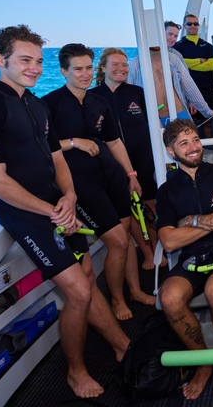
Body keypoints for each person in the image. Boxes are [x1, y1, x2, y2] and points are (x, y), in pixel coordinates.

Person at [0, 26, 130, 399]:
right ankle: (75, 371)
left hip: (56, 206)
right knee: (79, 292)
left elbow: (57, 159)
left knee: (86, 273)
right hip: (25, 212)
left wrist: (68, 197)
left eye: (38, 60)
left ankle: (122, 346)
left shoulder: (35, 105)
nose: (35, 67)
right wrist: (52, 210)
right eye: (25, 60)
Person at [42, 44, 156, 321]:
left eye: (88, 68)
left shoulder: (98, 102)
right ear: (63, 72)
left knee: (126, 238)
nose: (85, 74)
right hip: (81, 185)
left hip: (112, 176)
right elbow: (41, 147)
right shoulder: (49, 104)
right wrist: (73, 142)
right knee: (117, 241)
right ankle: (116, 299)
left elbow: (114, 142)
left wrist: (131, 175)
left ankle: (135, 290)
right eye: (78, 69)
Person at [156, 118, 213, 400]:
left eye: (195, 139)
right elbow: (169, 240)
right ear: (172, 152)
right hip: (191, 259)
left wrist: (191, 222)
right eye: (184, 143)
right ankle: (203, 362)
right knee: (169, 297)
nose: (193, 147)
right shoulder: (166, 191)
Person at [90, 48, 165, 270]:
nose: (121, 69)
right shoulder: (93, 97)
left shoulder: (137, 92)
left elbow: (155, 124)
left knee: (151, 207)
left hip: (144, 158)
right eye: (115, 64)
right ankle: (147, 253)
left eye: (124, 65)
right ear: (103, 68)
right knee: (130, 210)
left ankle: (160, 248)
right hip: (113, 164)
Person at [128, 44, 213, 127]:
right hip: (154, 122)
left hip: (180, 116)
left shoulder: (173, 59)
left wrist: (208, 111)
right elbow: (130, 98)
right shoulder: (134, 65)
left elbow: (190, 87)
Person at [173, 14, 213, 110]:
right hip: (186, 90)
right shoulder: (177, 46)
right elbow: (177, 63)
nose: (193, 26)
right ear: (184, 26)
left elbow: (212, 65)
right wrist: (200, 60)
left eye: (195, 24)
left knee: (209, 120)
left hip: (207, 88)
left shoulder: (208, 46)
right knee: (189, 123)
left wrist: (187, 64)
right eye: (189, 24)